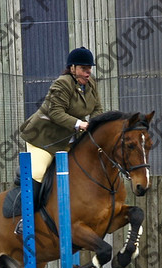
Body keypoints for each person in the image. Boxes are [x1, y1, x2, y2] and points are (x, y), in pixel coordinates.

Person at [15, 47, 104, 234]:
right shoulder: (62, 84)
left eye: (89, 69)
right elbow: (55, 113)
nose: (88, 73)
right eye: (83, 69)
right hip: (43, 139)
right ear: (72, 68)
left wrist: (97, 125)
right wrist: (80, 124)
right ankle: (25, 219)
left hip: (67, 142)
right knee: (38, 172)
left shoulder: (91, 84)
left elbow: (97, 109)